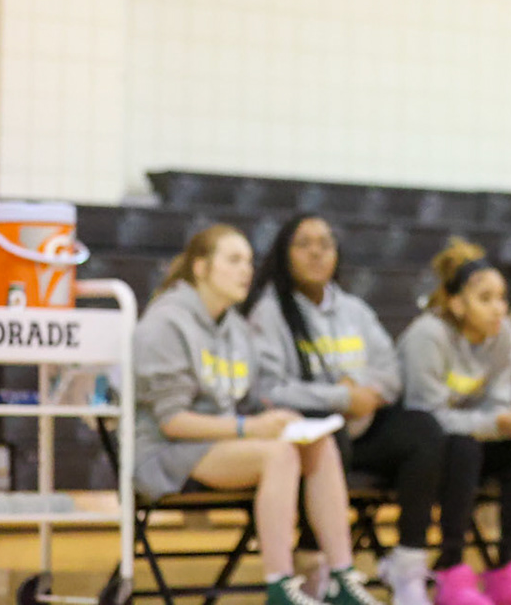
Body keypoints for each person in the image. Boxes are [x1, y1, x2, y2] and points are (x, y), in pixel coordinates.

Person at [133, 225, 379, 605]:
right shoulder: (166, 323)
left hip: (218, 440)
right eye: (233, 260)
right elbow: (173, 422)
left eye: (248, 261)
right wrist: (251, 427)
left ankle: (341, 577)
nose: (245, 270)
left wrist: (280, 417)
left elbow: (246, 399)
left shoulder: (234, 326)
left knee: (318, 443)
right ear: (201, 268)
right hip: (164, 450)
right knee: (278, 454)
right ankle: (281, 586)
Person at [247, 214, 446, 605]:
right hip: (308, 436)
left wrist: (369, 392)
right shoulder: (268, 314)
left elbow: (391, 370)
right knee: (327, 431)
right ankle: (314, 559)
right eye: (304, 243)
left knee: (423, 429)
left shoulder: (355, 310)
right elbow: (267, 391)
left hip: (364, 426)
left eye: (326, 243)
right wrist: (340, 398)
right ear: (284, 255)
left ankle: (407, 564)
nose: (317, 252)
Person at [398, 240, 511, 605]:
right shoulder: (429, 336)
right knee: (464, 446)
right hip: (421, 448)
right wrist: (498, 421)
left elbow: (500, 402)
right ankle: (450, 567)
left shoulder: (505, 334)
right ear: (457, 303)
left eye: (502, 298)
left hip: (471, 437)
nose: (498, 309)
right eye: (485, 299)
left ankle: (510, 567)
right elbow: (428, 416)